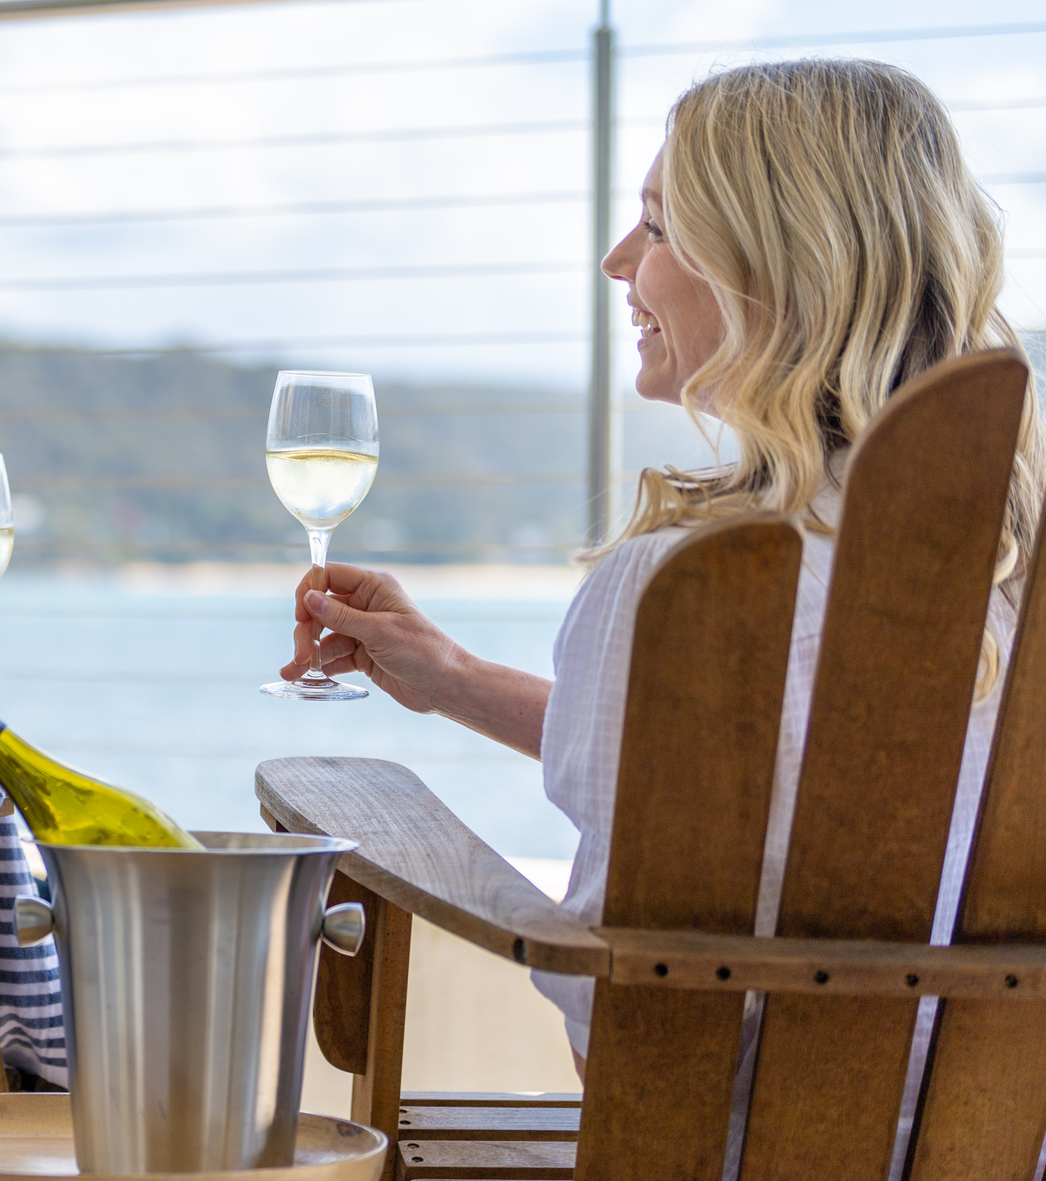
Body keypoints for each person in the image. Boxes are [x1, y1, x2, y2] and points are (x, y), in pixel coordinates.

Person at [280, 57, 1044, 1081]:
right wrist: (455, 679)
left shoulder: (688, 577)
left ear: (775, 265)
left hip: (699, 1137)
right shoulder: (1007, 554)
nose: (615, 261)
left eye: (659, 225)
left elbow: (611, 967)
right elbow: (757, 776)